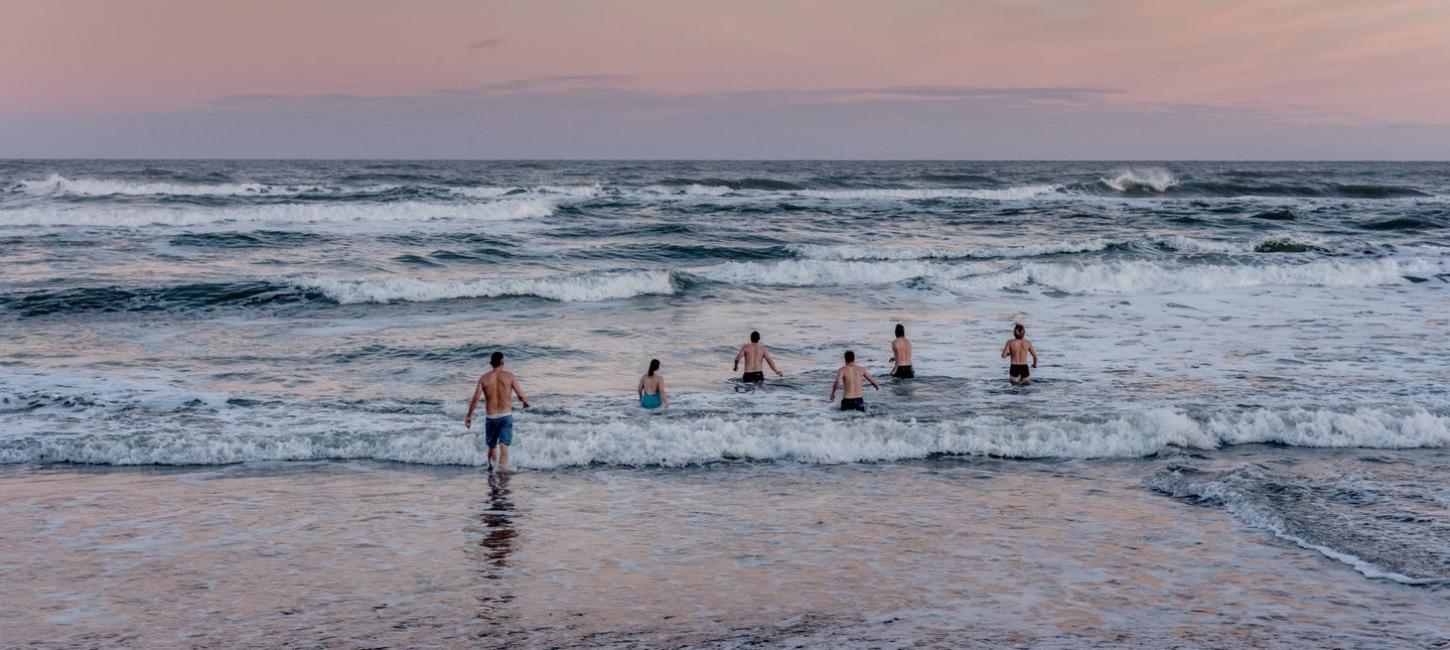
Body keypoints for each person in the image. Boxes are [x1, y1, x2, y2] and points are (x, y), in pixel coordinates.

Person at [465, 351, 531, 472]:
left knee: (491, 446)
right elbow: (521, 396)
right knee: (504, 445)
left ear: (491, 363)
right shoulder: (510, 376)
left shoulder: (484, 378)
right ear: (502, 362)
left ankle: (492, 470)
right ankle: (503, 472)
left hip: (491, 417)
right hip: (506, 416)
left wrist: (469, 416)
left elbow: (475, 398)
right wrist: (526, 403)